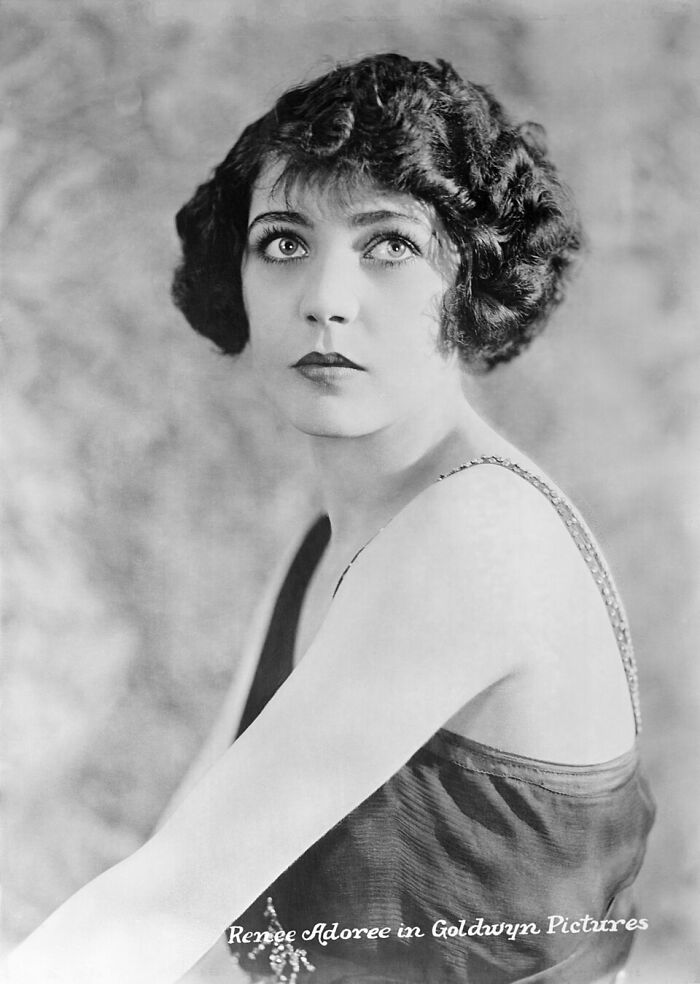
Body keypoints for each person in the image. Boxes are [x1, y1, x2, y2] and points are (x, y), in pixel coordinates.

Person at [8, 54, 655, 984]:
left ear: (470, 279)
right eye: (283, 242)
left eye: (388, 244)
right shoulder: (330, 541)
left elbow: (165, 904)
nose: (324, 300)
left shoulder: (477, 537)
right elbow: (186, 877)